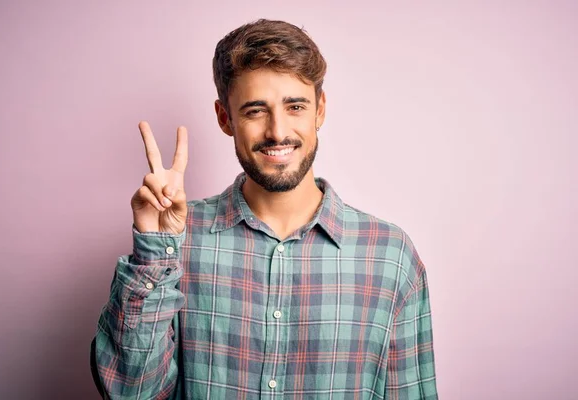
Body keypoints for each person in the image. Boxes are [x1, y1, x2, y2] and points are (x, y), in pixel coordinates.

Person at [92, 18, 438, 399]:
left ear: (319, 110)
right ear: (225, 118)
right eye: (256, 110)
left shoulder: (391, 256)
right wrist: (156, 249)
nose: (277, 131)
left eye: (295, 106)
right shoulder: (178, 241)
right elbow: (129, 392)